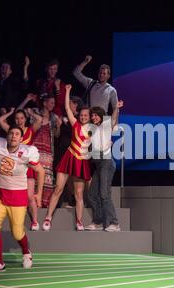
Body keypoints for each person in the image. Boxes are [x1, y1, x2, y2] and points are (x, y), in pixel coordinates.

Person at [0, 126, 45, 272]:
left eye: (17, 134)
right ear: (7, 136)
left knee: (17, 232)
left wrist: (39, 193)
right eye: (11, 133)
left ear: (21, 139)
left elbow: (40, 171)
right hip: (1, 194)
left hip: (18, 196)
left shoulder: (27, 153)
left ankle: (27, 252)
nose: (14, 136)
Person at [43, 85, 92, 231]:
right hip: (69, 158)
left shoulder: (93, 129)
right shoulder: (75, 124)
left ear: (89, 117)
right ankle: (48, 218)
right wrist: (68, 91)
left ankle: (79, 221)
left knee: (78, 193)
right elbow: (67, 107)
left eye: (86, 116)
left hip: (81, 161)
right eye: (82, 115)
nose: (83, 117)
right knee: (58, 188)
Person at [0, 96, 44, 230]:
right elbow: (0, 120)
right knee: (17, 196)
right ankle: (17, 223)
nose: (19, 120)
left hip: (27, 167)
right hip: (14, 167)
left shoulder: (30, 130)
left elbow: (40, 119)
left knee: (30, 196)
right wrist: (11, 113)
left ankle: (35, 221)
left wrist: (30, 112)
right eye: (17, 118)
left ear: (25, 119)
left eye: (21, 118)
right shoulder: (12, 132)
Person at [85, 100, 124, 232]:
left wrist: (116, 108)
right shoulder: (92, 129)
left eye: (96, 115)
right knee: (91, 194)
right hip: (98, 163)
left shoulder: (106, 125)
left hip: (107, 162)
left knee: (104, 194)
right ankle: (98, 222)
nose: (93, 117)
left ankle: (114, 223)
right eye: (92, 115)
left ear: (101, 116)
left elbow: (113, 119)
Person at [18, 94, 61, 210]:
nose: (53, 105)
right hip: (34, 149)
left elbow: (57, 135)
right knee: (34, 175)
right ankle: (32, 201)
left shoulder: (54, 117)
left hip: (48, 150)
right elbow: (18, 112)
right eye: (51, 102)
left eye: (54, 103)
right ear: (44, 103)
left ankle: (44, 202)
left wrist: (58, 126)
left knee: (46, 176)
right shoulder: (34, 111)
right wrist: (30, 110)